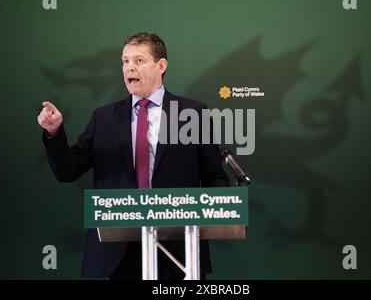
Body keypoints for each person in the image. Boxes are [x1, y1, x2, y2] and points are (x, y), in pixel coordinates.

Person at [37, 32, 229, 280]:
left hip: (179, 251)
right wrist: (54, 133)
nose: (129, 67)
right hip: (115, 252)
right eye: (125, 61)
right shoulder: (103, 118)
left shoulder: (192, 113)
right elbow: (67, 171)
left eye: (138, 60)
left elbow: (214, 175)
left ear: (161, 65)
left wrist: (220, 210)